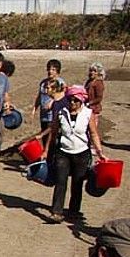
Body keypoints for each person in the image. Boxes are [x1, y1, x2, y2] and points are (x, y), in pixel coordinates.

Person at [44, 85, 106, 224]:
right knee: (60, 181)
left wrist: (99, 152)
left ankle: (73, 211)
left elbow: (94, 134)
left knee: (77, 183)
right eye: (70, 100)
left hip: (81, 153)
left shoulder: (87, 114)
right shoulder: (61, 113)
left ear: (81, 101)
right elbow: (53, 133)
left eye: (75, 100)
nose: (72, 103)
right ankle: (56, 212)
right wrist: (46, 150)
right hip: (63, 152)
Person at [86, 62, 106, 139]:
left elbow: (99, 98)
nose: (92, 73)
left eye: (94, 71)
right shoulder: (89, 81)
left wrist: (89, 103)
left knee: (92, 129)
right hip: (87, 108)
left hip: (94, 109)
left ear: (98, 73)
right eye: (91, 70)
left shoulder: (98, 83)